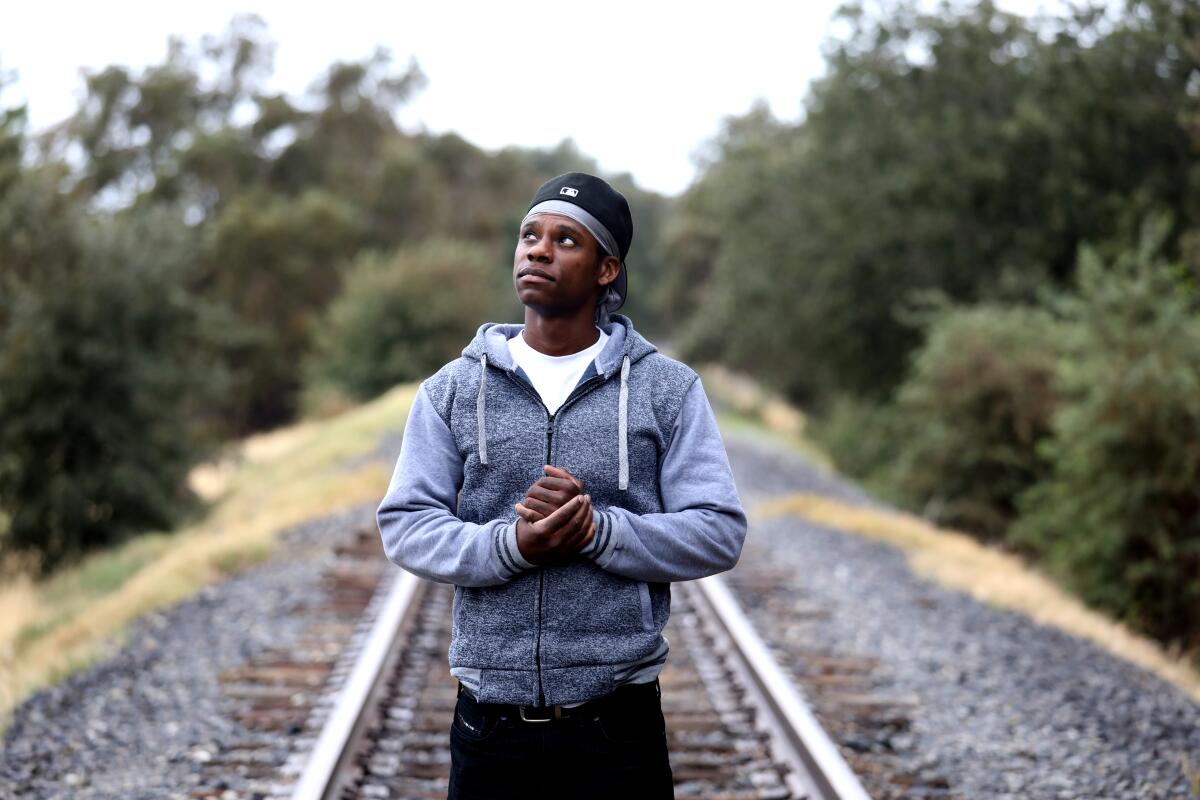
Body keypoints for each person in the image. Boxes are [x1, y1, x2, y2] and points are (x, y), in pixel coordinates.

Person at [377, 171, 747, 799]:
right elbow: (406, 524)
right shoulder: (452, 390)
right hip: (489, 723)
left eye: (565, 240)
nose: (538, 250)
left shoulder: (667, 389)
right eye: (529, 235)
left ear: (608, 270)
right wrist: (514, 546)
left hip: (617, 724)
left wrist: (597, 531)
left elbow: (718, 532)